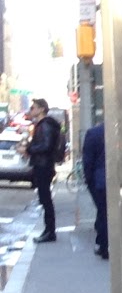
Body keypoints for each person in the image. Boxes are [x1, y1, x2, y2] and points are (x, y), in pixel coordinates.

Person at [25, 100, 61, 244]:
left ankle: (50, 231)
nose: (31, 110)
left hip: (43, 165)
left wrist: (29, 150)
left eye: (33, 108)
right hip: (43, 165)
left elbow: (46, 146)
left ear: (41, 109)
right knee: (44, 199)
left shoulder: (45, 125)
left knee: (45, 199)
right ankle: (48, 230)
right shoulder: (44, 125)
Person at [81, 121, 109, 259]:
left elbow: (87, 160)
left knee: (103, 212)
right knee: (110, 213)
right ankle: (104, 242)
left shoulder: (93, 133)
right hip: (120, 179)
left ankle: (104, 245)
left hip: (99, 180)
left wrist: (88, 179)